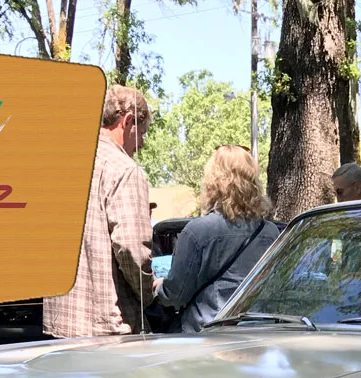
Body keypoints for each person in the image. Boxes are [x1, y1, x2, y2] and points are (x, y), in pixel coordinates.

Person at [43, 84, 155, 339]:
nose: (141, 144)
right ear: (127, 122)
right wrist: (148, 293)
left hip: (63, 324)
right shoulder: (124, 170)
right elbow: (131, 249)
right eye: (142, 133)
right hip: (108, 328)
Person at [152, 145, 280, 332]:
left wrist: (158, 286)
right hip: (258, 332)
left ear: (213, 182)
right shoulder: (270, 233)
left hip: (207, 333)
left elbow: (176, 295)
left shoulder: (197, 232)